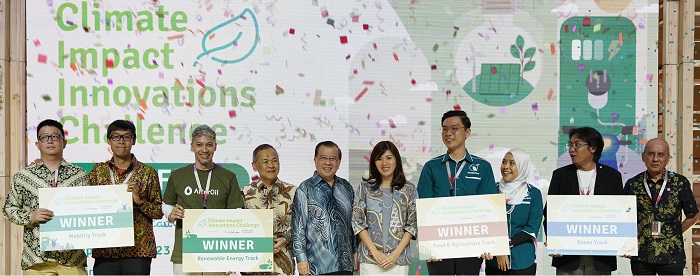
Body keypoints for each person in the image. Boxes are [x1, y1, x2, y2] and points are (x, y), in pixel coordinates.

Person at [2, 119, 89, 274]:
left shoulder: (79, 175)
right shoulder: (23, 177)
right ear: (37, 144)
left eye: (55, 136)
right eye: (44, 137)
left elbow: (88, 212)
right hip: (36, 259)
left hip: (72, 259)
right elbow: (8, 209)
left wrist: (75, 239)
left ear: (64, 143)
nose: (49, 140)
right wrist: (30, 216)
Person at [416, 110, 496, 275]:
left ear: (467, 132)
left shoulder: (483, 167)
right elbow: (422, 207)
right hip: (438, 244)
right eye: (444, 129)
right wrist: (427, 243)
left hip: (472, 244)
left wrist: (488, 243)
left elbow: (490, 208)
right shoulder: (431, 167)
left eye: (454, 128)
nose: (448, 133)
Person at [162, 125, 244, 275]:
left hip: (218, 252)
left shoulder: (228, 177)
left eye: (209, 145)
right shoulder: (178, 175)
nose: (204, 150)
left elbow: (237, 213)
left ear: (215, 147)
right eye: (199, 145)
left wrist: (233, 256)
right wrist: (170, 213)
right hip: (185, 251)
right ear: (191, 147)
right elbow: (167, 204)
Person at [87, 120, 163, 274]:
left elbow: (158, 212)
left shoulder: (148, 173)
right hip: (106, 250)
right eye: (116, 137)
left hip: (138, 251)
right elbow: (85, 204)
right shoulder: (97, 172)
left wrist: (140, 201)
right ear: (109, 140)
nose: (121, 141)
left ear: (134, 140)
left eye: (126, 137)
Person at [544, 126, 623, 274]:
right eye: (570, 145)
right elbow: (549, 213)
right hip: (567, 257)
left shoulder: (612, 176)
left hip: (601, 258)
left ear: (593, 148)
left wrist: (625, 242)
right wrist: (554, 240)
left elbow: (622, 214)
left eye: (577, 145)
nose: (571, 150)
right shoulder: (560, 175)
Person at [623, 138, 698, 275]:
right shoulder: (632, 184)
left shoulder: (680, 183)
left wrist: (675, 232)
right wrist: (627, 244)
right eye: (651, 154)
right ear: (643, 157)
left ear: (668, 158)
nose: (655, 159)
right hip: (641, 256)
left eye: (661, 155)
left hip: (672, 256)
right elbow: (624, 218)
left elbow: (693, 215)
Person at [291, 141, 357, 275]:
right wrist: (301, 258)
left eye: (332, 159)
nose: (328, 163)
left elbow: (353, 224)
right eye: (323, 158)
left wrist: (356, 251)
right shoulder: (305, 189)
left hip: (345, 265)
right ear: (315, 160)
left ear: (339, 162)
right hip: (316, 267)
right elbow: (298, 228)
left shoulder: (346, 187)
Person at [352, 141, 417, 275]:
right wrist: (374, 252)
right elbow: (357, 222)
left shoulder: (409, 189)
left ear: (396, 160)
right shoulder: (364, 187)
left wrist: (395, 254)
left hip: (398, 259)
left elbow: (412, 224)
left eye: (389, 158)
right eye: (379, 159)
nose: (384, 163)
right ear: (374, 163)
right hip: (370, 260)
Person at [241, 144, 296, 275]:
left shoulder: (294, 192)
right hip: (253, 266)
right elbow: (238, 228)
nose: (271, 165)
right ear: (254, 166)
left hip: (284, 265)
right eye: (265, 161)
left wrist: (286, 238)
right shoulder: (244, 193)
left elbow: (301, 225)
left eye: (274, 160)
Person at [485, 148, 542, 275]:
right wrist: (499, 250)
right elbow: (486, 223)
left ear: (522, 166)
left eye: (512, 163)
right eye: (504, 162)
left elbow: (532, 228)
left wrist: (506, 245)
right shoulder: (491, 190)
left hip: (523, 260)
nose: (505, 167)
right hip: (494, 261)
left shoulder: (533, 194)